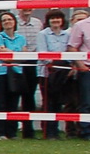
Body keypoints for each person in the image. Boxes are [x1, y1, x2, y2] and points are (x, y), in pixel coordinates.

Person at [0, 11, 34, 140]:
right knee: (0, 103)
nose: (7, 22)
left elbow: (24, 57)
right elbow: (4, 57)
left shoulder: (21, 38)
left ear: (14, 22)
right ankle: (0, 133)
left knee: (13, 103)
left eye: (9, 19)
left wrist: (10, 53)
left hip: (17, 72)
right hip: (1, 73)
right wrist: (16, 54)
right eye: (4, 20)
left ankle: (12, 132)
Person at [37, 10, 71, 139]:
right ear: (48, 21)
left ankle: (55, 131)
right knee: (48, 103)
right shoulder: (43, 34)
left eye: (58, 18)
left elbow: (69, 53)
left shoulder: (67, 35)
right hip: (47, 73)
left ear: (62, 20)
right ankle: (48, 131)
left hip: (63, 73)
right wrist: (54, 62)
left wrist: (67, 65)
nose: (55, 21)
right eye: (52, 18)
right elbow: (43, 54)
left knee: (58, 102)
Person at [69, 8, 90, 141]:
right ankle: (86, 132)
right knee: (86, 102)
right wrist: (81, 65)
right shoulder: (81, 25)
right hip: (87, 69)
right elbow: (72, 47)